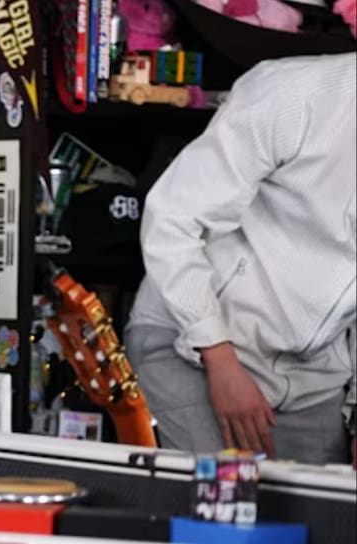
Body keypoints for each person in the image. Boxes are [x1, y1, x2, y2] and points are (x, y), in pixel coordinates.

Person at [125, 51, 356, 466]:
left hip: (314, 379)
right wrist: (219, 357)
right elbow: (172, 218)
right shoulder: (294, 94)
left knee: (324, 523)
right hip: (193, 345)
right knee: (222, 516)